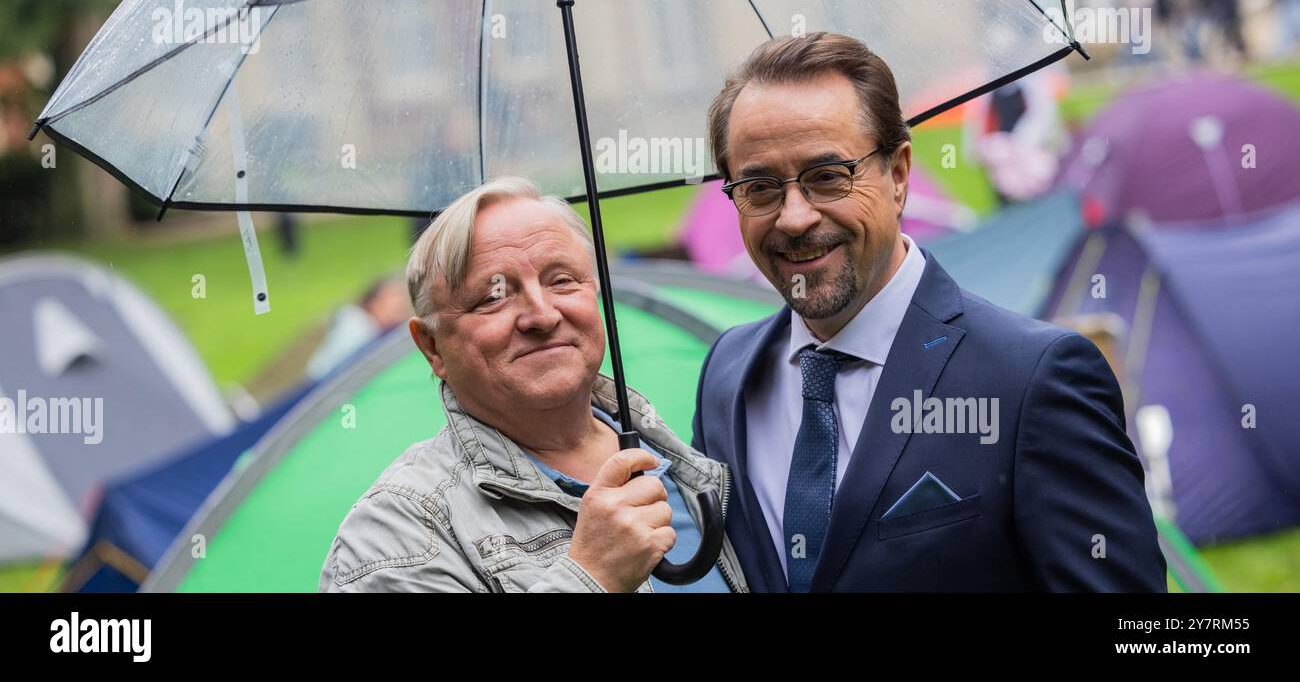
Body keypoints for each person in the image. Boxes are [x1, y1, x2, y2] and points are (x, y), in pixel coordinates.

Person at [692, 32, 1166, 592]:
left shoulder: (1032, 378)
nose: (794, 218)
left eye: (827, 177)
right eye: (761, 187)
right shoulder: (728, 374)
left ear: (898, 175)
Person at [319, 177, 747, 592]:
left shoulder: (693, 461)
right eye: (493, 297)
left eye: (561, 280)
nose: (541, 316)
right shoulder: (398, 533)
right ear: (431, 346)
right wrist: (593, 578)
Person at [304, 277, 410, 380]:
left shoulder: (380, 332)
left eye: (401, 298)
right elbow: (329, 370)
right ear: (373, 303)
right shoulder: (358, 326)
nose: (399, 303)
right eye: (392, 297)